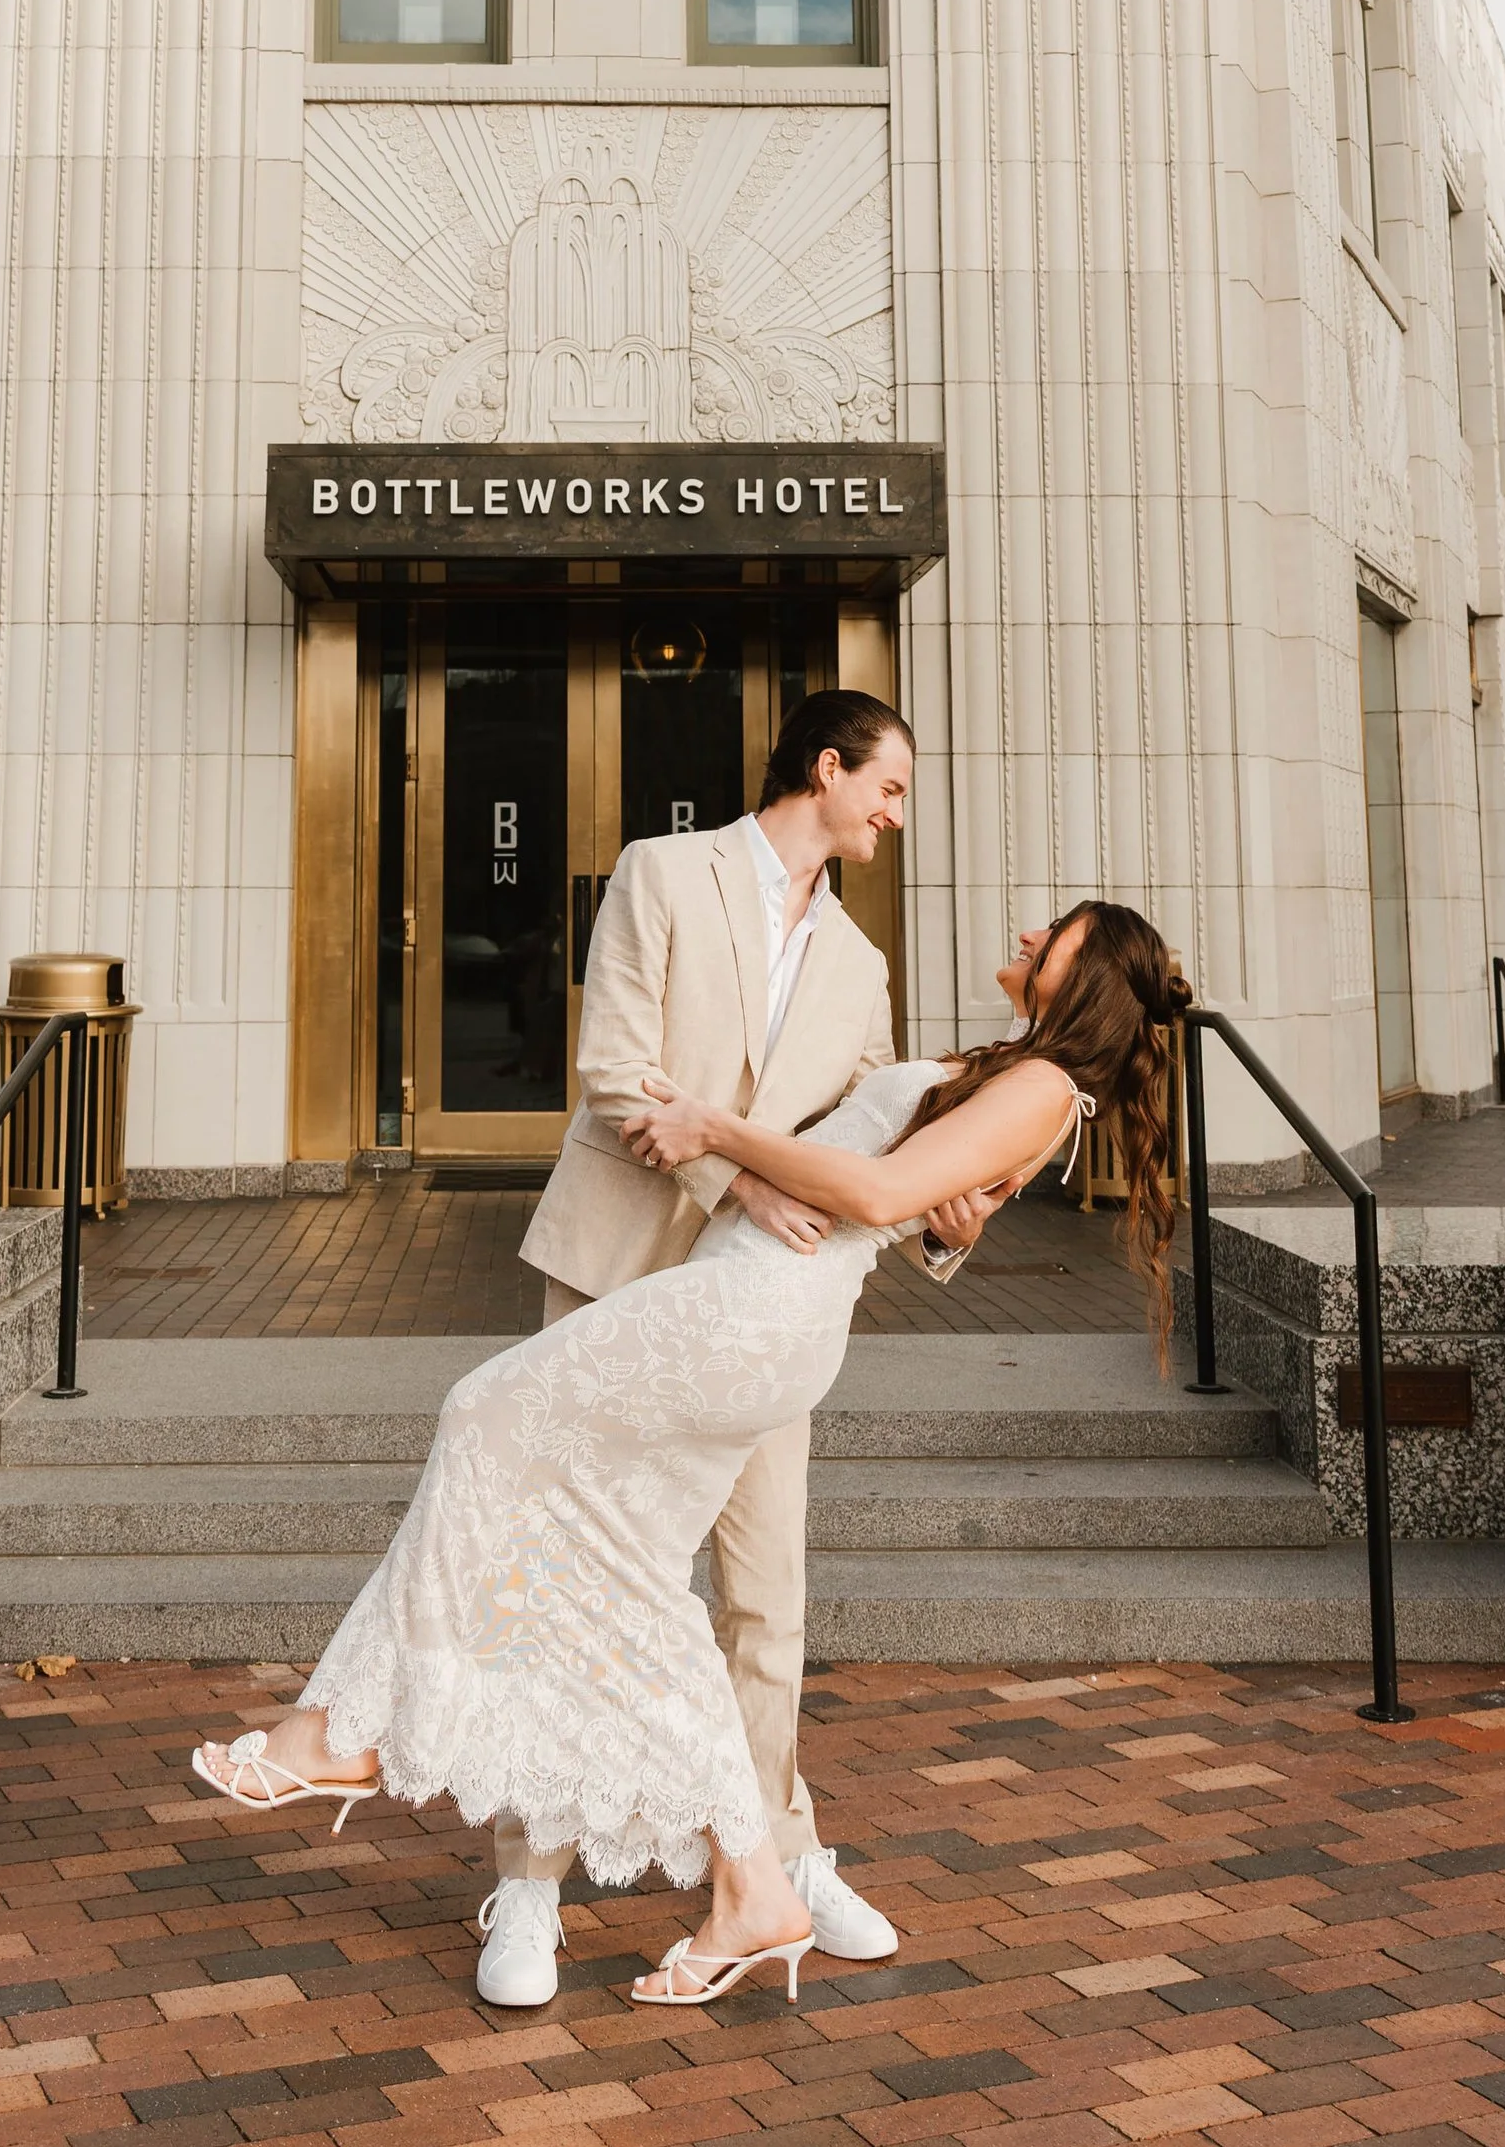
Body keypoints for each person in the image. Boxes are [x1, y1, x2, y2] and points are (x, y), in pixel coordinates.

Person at [189, 900, 1185, 2008]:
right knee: (625, 1571)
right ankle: (750, 1888)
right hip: (739, 1298)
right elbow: (911, 1185)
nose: (1023, 931)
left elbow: (870, 1194)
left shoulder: (1043, 1090)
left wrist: (716, 1132)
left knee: (484, 1415)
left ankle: (342, 1732)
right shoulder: (1016, 1071)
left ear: (1085, 972)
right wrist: (932, 1206)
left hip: (754, 1311)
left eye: (1050, 931)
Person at [487, 690, 975, 2005]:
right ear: (829, 766)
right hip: (619, 1272)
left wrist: (944, 1226)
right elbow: (617, 1071)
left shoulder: (862, 966)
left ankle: (776, 1866)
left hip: (766, 1317)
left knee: (767, 1601)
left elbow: (861, 1143)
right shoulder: (662, 871)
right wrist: (737, 1183)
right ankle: (527, 1882)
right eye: (892, 785)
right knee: (570, 1580)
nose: (897, 810)